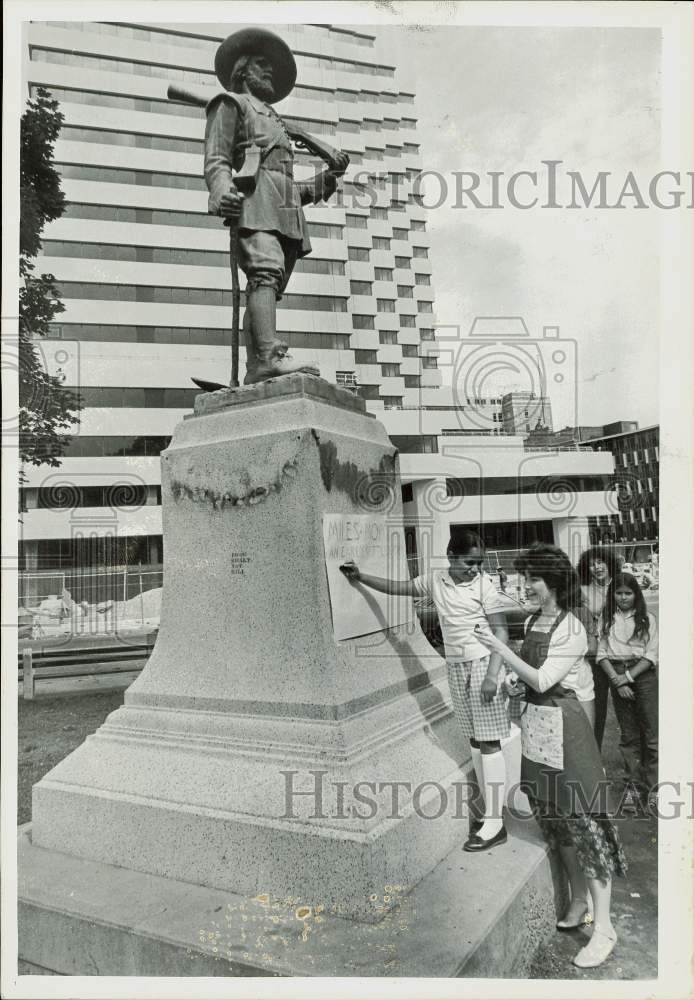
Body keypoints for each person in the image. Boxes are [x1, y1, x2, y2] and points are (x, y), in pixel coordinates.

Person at [476, 543, 627, 969]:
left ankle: (605, 927)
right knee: (555, 821)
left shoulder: (572, 627)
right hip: (538, 733)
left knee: (585, 825)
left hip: (569, 731)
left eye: (532, 580)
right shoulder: (531, 619)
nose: (525, 586)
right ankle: (578, 899)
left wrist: (500, 650)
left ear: (554, 582)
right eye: (523, 578)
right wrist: (512, 684)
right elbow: (530, 682)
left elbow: (545, 677)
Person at [341, 531, 513, 852]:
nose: (475, 569)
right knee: (475, 741)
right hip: (456, 666)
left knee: (489, 742)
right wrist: (360, 577)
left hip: (483, 665)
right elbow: (398, 588)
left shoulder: (484, 585)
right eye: (468, 562)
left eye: (479, 563)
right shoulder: (435, 581)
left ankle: (496, 823)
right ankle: (490, 813)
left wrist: (492, 675)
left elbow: (500, 629)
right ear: (450, 555)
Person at [204, 28, 349, 384]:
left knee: (265, 285)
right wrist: (221, 189)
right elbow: (217, 160)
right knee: (264, 274)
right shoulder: (231, 105)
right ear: (242, 70)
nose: (270, 72)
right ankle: (269, 355)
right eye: (261, 65)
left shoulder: (279, 125)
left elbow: (285, 188)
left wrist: (326, 180)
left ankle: (258, 365)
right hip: (253, 206)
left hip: (284, 213)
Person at [597, 573, 658, 814]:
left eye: (628, 593)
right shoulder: (606, 619)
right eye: (619, 593)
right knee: (629, 735)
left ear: (636, 594)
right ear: (613, 595)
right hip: (617, 676)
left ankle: (654, 791)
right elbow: (601, 653)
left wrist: (629, 677)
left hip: (643, 677)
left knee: (652, 735)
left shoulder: (647, 619)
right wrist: (618, 681)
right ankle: (634, 789)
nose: (623, 598)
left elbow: (651, 654)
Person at [576, 545, 620, 749]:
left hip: (622, 655)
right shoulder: (583, 590)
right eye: (591, 564)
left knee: (630, 711)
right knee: (597, 709)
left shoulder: (622, 583)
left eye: (600, 562)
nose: (597, 567)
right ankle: (595, 760)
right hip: (596, 655)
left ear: (609, 562)